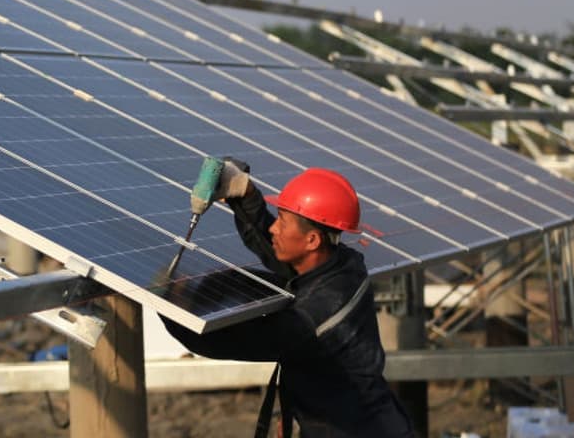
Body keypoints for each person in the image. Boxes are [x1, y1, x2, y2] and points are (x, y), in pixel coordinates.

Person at [161, 165, 416, 438]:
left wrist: (166, 301)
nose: (274, 228)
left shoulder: (312, 319)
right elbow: (280, 255)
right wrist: (245, 197)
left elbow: (215, 339)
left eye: (282, 221)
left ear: (313, 239)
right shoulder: (343, 267)